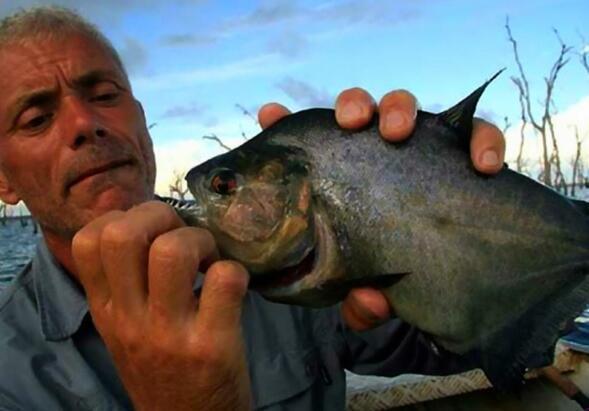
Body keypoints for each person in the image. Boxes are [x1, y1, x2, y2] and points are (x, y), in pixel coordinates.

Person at [0, 6, 506, 411]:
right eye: (37, 118)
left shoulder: (278, 255)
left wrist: (452, 215)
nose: (85, 122)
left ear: (142, 121)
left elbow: (465, 347)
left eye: (105, 94)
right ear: (4, 180)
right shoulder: (10, 375)